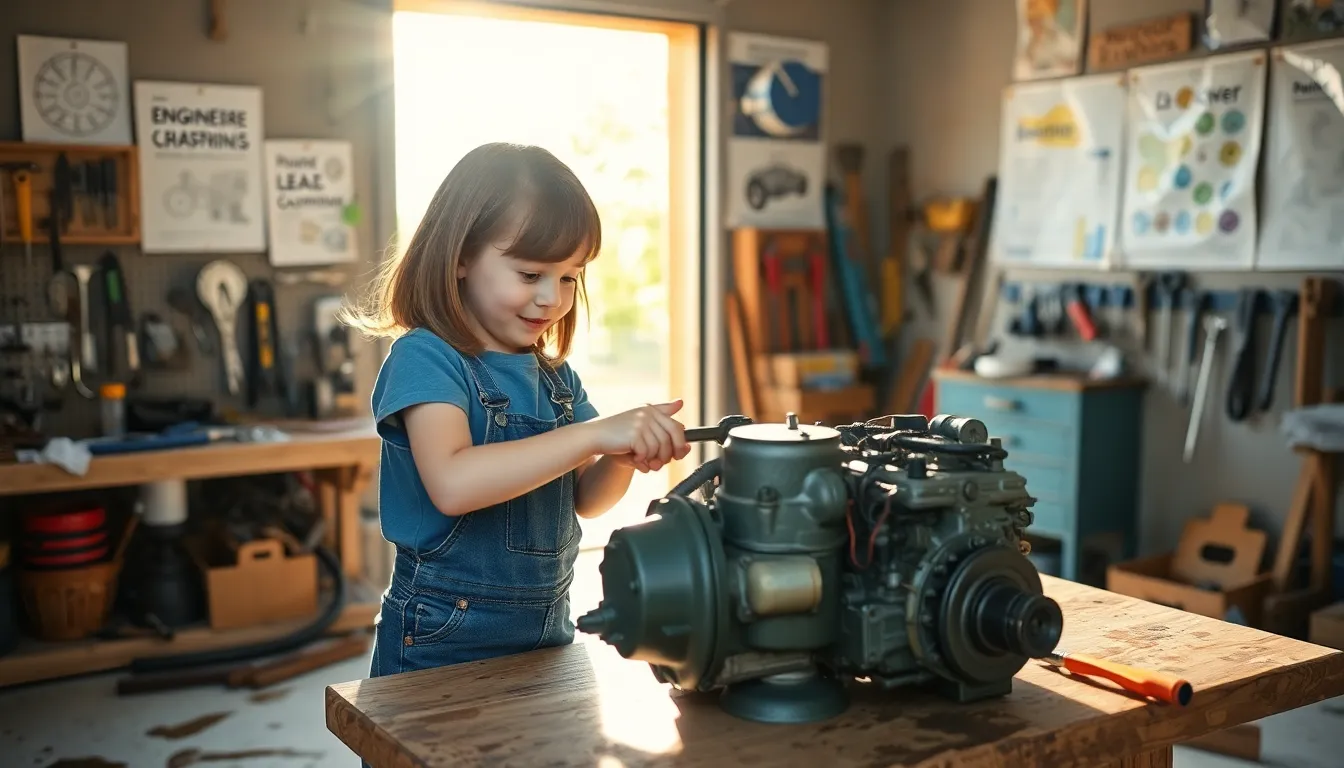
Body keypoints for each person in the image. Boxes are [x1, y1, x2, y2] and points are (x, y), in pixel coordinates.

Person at [342, 142, 691, 679]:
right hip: (441, 638)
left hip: (548, 636)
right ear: (460, 258)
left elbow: (588, 499)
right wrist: (594, 435)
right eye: (531, 275)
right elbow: (453, 483)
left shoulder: (555, 378)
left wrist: (620, 457)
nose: (553, 298)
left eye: (570, 277)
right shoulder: (427, 359)